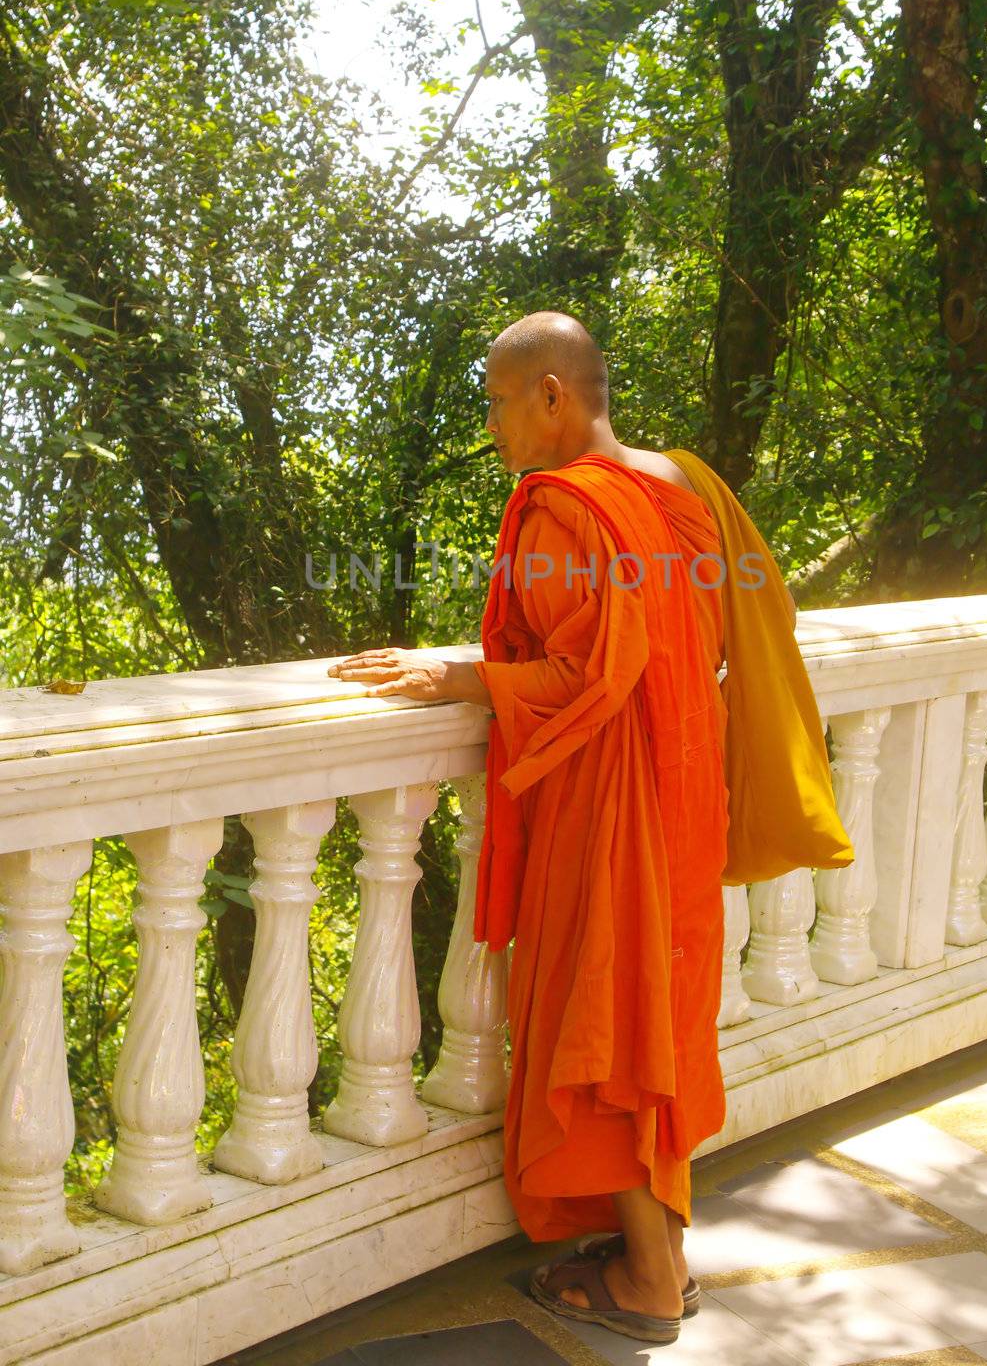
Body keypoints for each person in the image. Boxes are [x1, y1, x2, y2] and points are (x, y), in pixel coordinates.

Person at [328, 311, 843, 1347]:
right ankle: (658, 1253)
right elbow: (742, 620)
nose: (494, 423)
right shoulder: (684, 479)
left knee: (606, 1019)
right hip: (686, 784)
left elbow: (583, 674)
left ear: (551, 395)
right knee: (661, 1011)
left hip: (612, 796)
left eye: (496, 400)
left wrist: (459, 675)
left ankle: (650, 1278)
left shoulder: (564, 508)